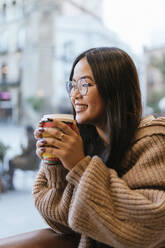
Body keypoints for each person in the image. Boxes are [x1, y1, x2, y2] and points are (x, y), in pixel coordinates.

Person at [33, 47, 165, 248]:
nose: (75, 95)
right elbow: (61, 220)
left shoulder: (153, 142)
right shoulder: (85, 143)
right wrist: (55, 163)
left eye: (85, 84)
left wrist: (80, 166)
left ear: (115, 88)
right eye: (72, 85)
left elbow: (149, 228)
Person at [8, 125, 39, 190]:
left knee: (10, 161)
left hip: (29, 163)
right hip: (34, 163)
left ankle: (10, 183)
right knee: (13, 160)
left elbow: (25, 152)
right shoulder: (35, 138)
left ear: (27, 131)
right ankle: (9, 182)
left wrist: (21, 143)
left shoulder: (31, 139)